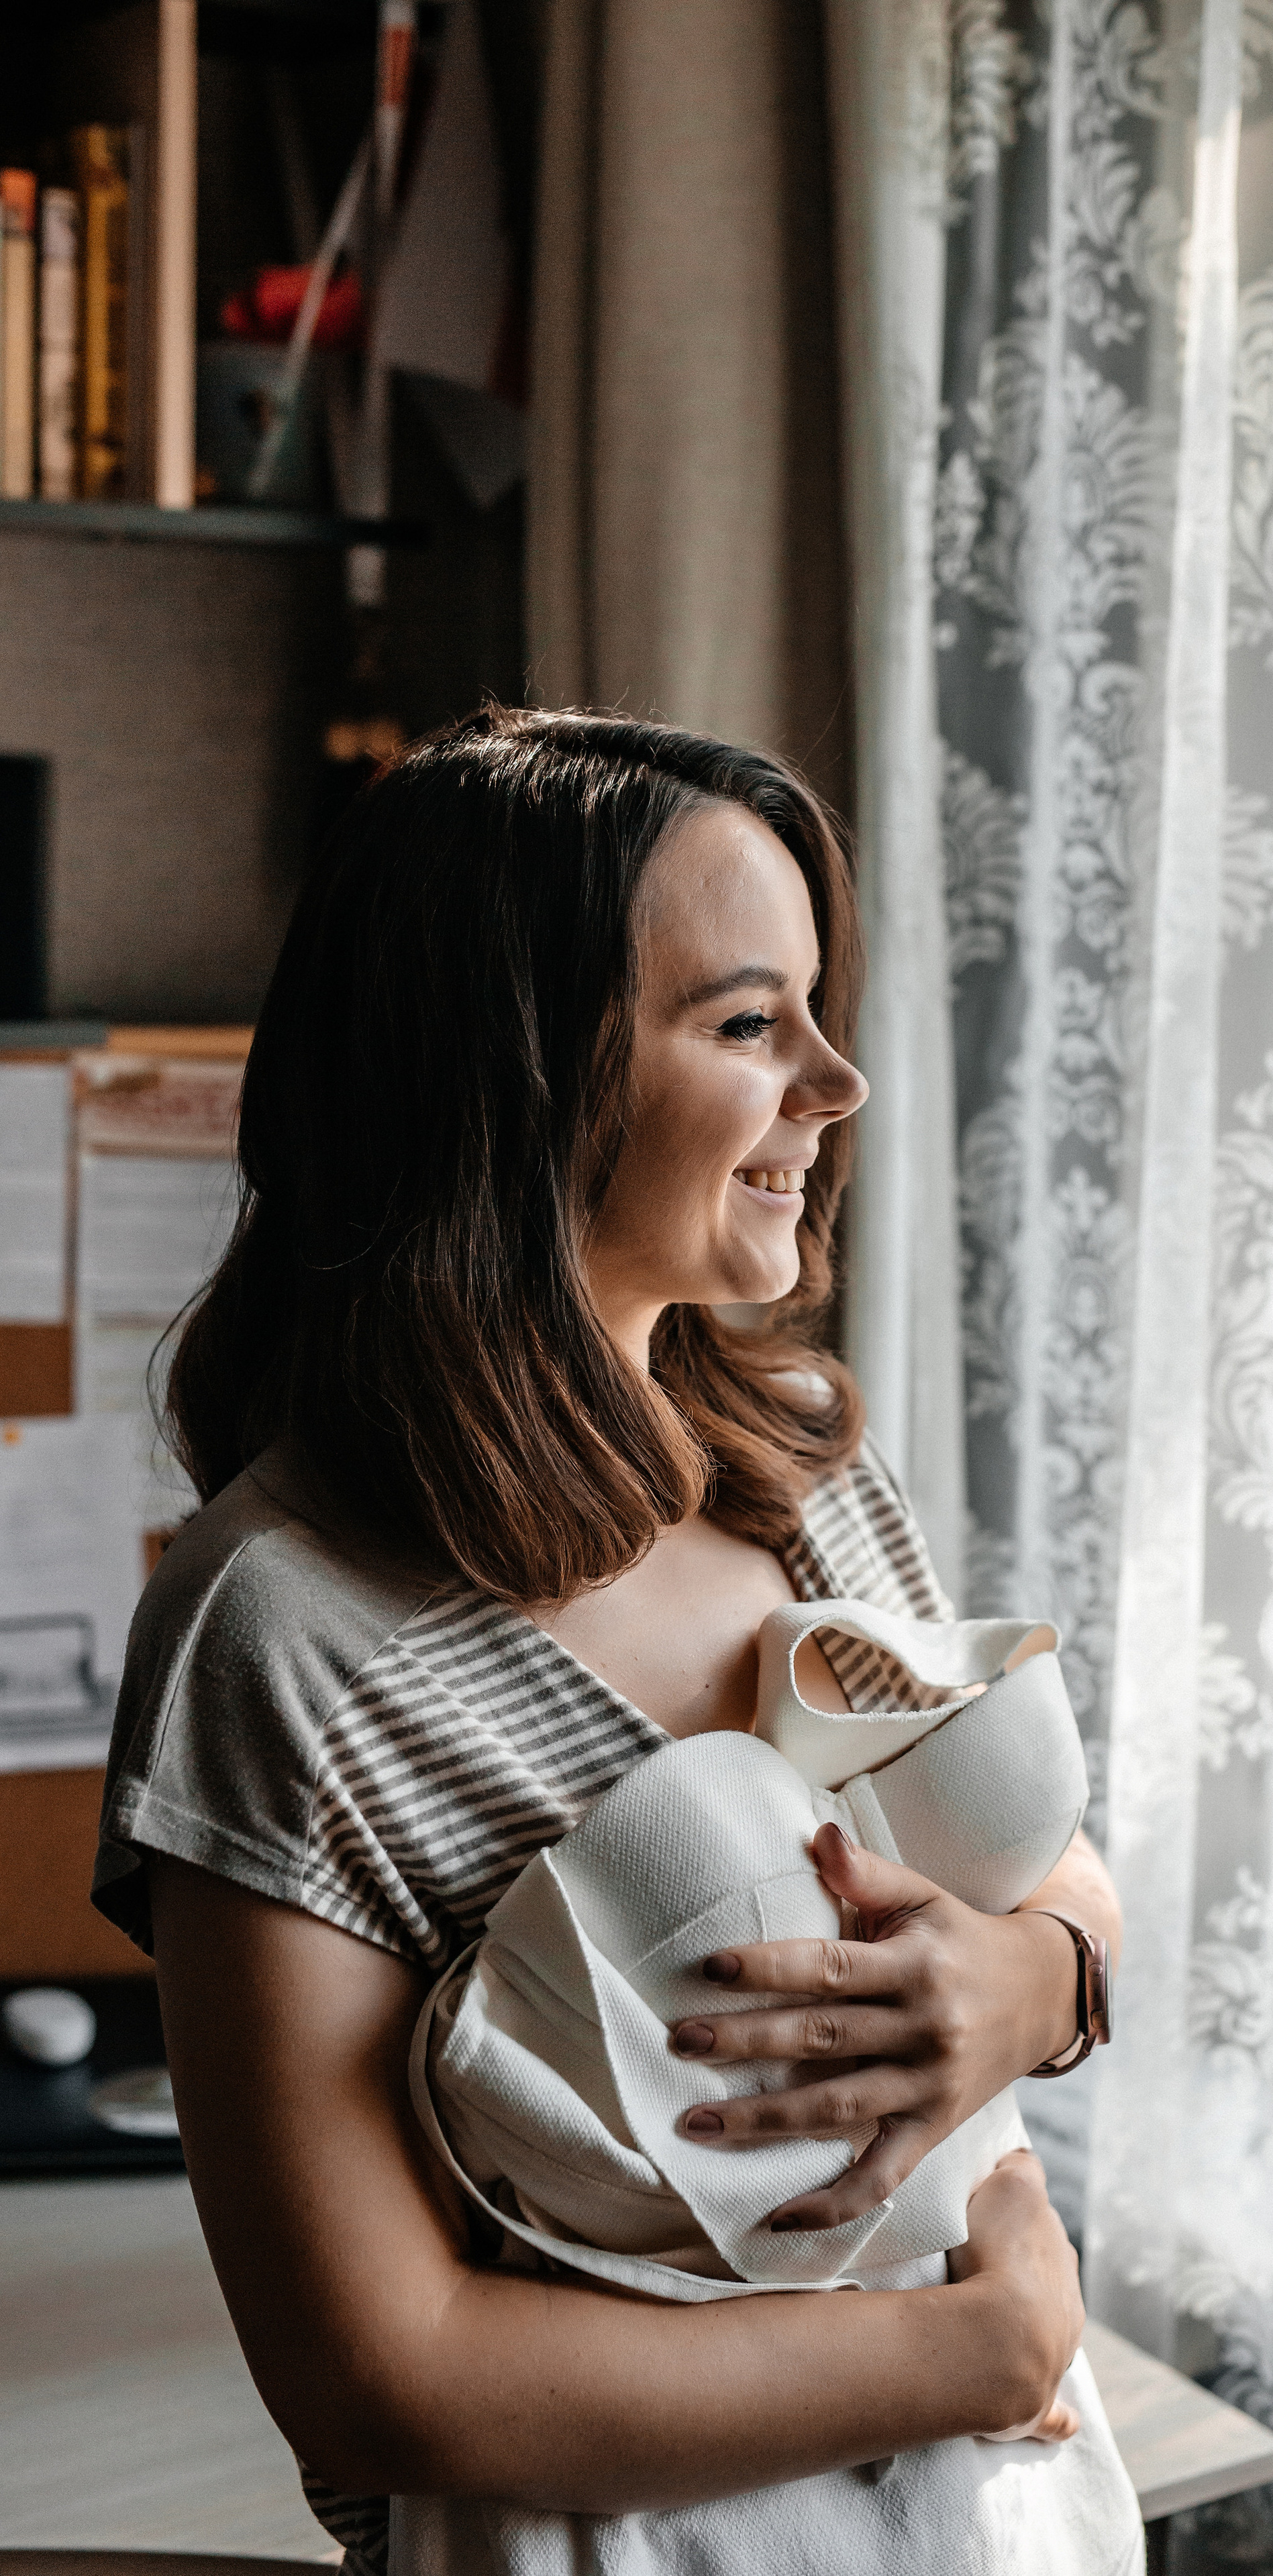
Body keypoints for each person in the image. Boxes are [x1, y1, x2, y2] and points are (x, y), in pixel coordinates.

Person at [94, 709, 1143, 2576]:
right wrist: (976, 2351)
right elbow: (382, 2375)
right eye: (747, 1025)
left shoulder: (808, 1470)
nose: (837, 1082)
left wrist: (1040, 1984)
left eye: (816, 1013)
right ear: (509, 1081)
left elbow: (1034, 1860)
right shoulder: (280, 1632)